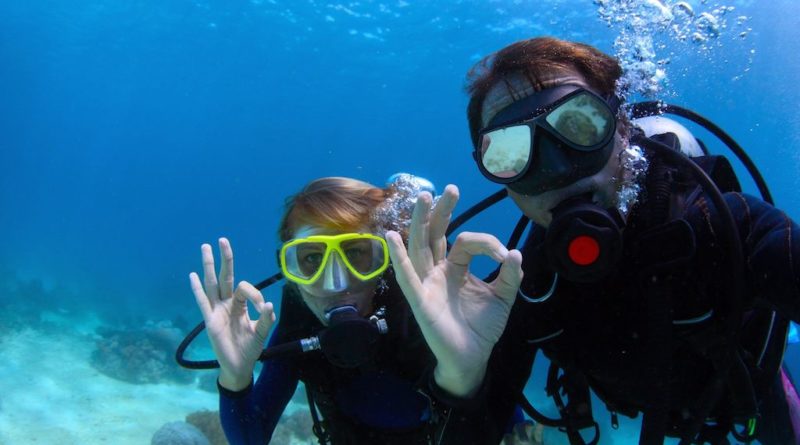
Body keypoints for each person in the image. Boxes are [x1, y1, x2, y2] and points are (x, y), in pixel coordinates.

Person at [388, 37, 800, 444]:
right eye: (510, 154)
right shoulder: (524, 288)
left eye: (579, 126)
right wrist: (461, 377)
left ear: (622, 128)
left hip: (753, 398)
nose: (556, 168)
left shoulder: (723, 226)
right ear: (503, 182)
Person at [188, 176, 523, 444]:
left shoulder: (427, 313)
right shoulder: (300, 324)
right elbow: (251, 437)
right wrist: (235, 378)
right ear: (289, 270)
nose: (335, 283)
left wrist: (466, 376)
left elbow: (508, 432)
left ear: (386, 260)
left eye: (356, 253)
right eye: (312, 258)